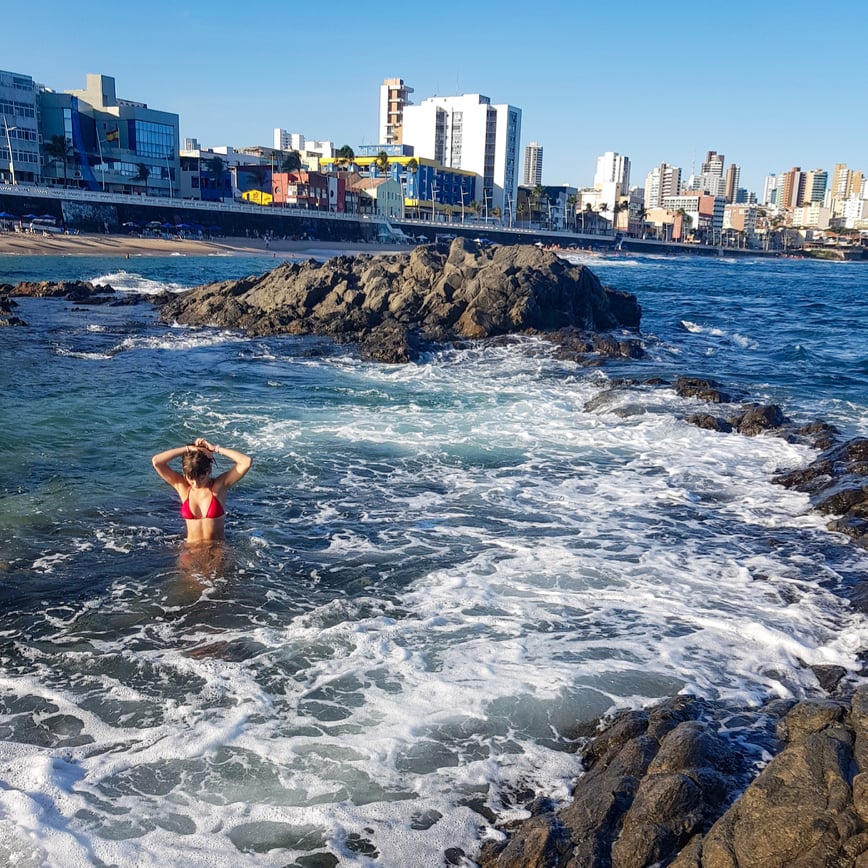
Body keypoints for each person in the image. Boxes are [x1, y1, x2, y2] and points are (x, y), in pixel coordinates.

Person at [152, 437, 252, 543]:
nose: (196, 484)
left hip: (217, 550)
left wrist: (215, 448)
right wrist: (187, 448)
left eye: (201, 478)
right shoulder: (183, 488)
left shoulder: (218, 487)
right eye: (191, 479)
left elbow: (246, 462)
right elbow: (157, 462)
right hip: (189, 550)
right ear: (185, 474)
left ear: (209, 470)